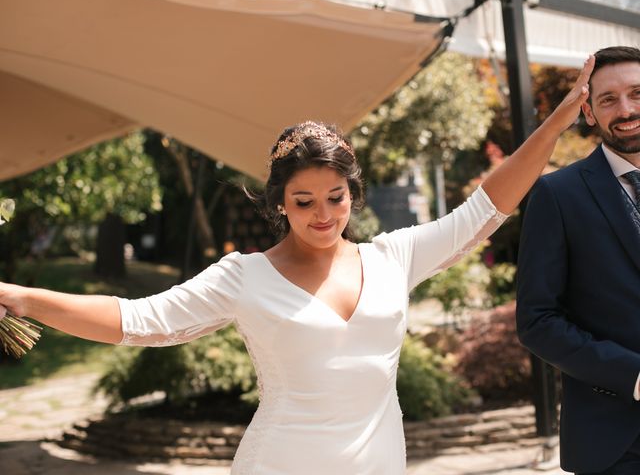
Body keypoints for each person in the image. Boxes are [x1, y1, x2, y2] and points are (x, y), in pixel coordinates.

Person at [0, 55, 593, 474]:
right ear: (279, 203)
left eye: (335, 198)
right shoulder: (243, 277)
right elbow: (136, 318)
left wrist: (563, 114)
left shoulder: (394, 257)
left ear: (353, 194)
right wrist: (20, 297)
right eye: (303, 201)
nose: (322, 214)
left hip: (381, 464)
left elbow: (488, 205)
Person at [516, 45, 640, 475]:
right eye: (608, 99)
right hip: (616, 442)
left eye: (636, 93)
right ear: (589, 112)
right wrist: (633, 376)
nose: (625, 109)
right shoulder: (557, 195)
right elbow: (537, 320)